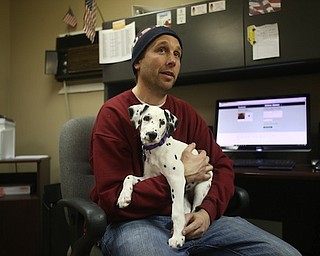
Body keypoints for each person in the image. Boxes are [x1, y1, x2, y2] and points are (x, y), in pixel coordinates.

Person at [90, 26, 301, 256]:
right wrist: (182, 174)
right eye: (162, 50)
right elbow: (111, 199)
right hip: (134, 223)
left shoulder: (186, 114)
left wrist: (207, 213)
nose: (172, 61)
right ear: (138, 62)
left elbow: (222, 167)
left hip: (193, 218)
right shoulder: (115, 114)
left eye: (177, 54)